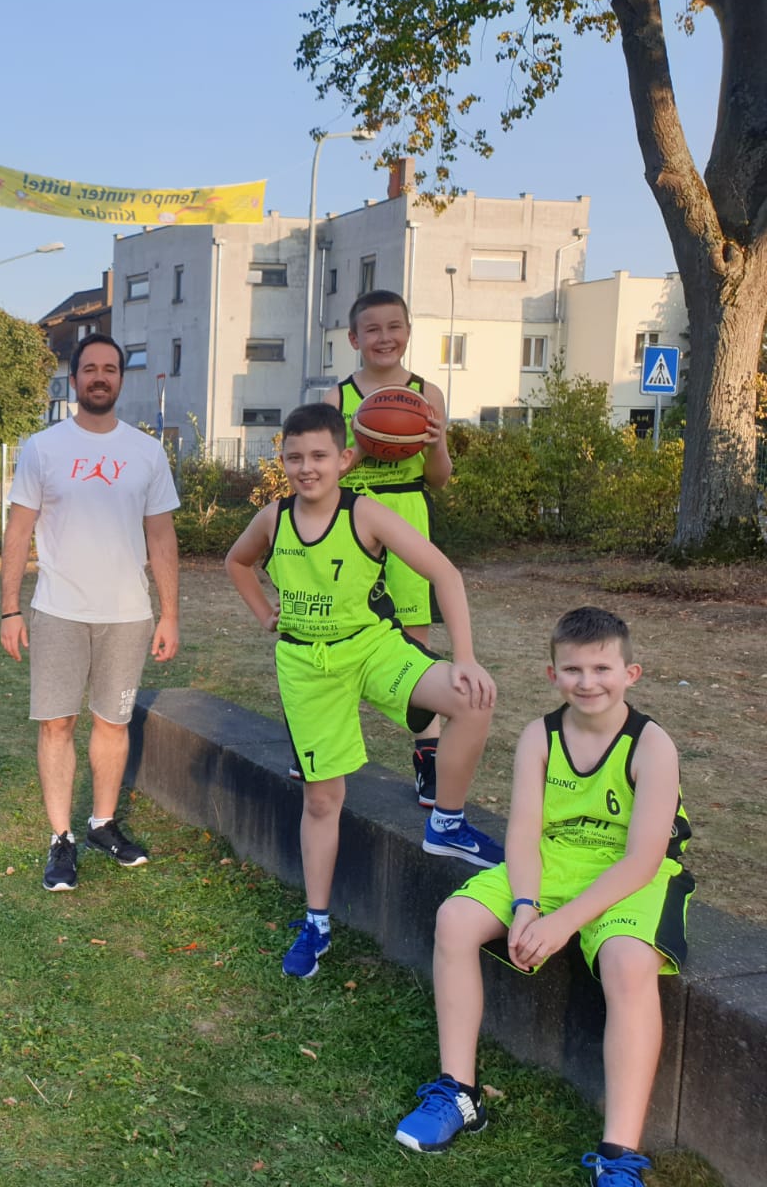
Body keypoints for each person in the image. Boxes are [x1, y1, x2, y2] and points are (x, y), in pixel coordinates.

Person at [394, 608, 691, 1185]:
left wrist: (563, 923)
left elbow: (642, 860)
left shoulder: (652, 745)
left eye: (602, 669)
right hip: (553, 861)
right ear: (552, 675)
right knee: (455, 919)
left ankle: (619, 1153)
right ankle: (459, 1093)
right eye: (573, 669)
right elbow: (525, 833)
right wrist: (527, 906)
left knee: (628, 962)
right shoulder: (540, 735)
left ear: (630, 674)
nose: (588, 682)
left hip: (632, 874)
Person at [224, 403, 502, 978]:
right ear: (282, 461)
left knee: (473, 698)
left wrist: (467, 657)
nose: (307, 467)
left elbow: (445, 573)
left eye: (319, 455)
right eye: (294, 457)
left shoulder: (366, 513)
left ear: (345, 458)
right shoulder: (274, 519)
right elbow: (237, 562)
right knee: (322, 800)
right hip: (307, 666)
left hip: (373, 648)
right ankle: (317, 923)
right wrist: (264, 613)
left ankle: (447, 822)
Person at [0, 333, 180, 893]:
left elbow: (162, 536)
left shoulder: (147, 452)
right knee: (57, 723)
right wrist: (9, 610)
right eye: (90, 368)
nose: (100, 376)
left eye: (110, 368)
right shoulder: (42, 448)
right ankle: (61, 839)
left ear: (120, 378)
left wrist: (169, 614)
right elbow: (18, 531)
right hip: (59, 610)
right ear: (74, 378)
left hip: (127, 614)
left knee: (113, 722)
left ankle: (102, 824)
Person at [322, 290, 452, 806]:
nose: (384, 337)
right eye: (372, 329)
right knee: (337, 631)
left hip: (407, 515)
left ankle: (428, 757)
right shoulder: (336, 400)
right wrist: (360, 445)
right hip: (351, 519)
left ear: (408, 332)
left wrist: (434, 444)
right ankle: (320, 739)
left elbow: (439, 478)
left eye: (394, 327)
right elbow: (321, 478)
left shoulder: (427, 393)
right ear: (354, 339)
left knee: (414, 645)